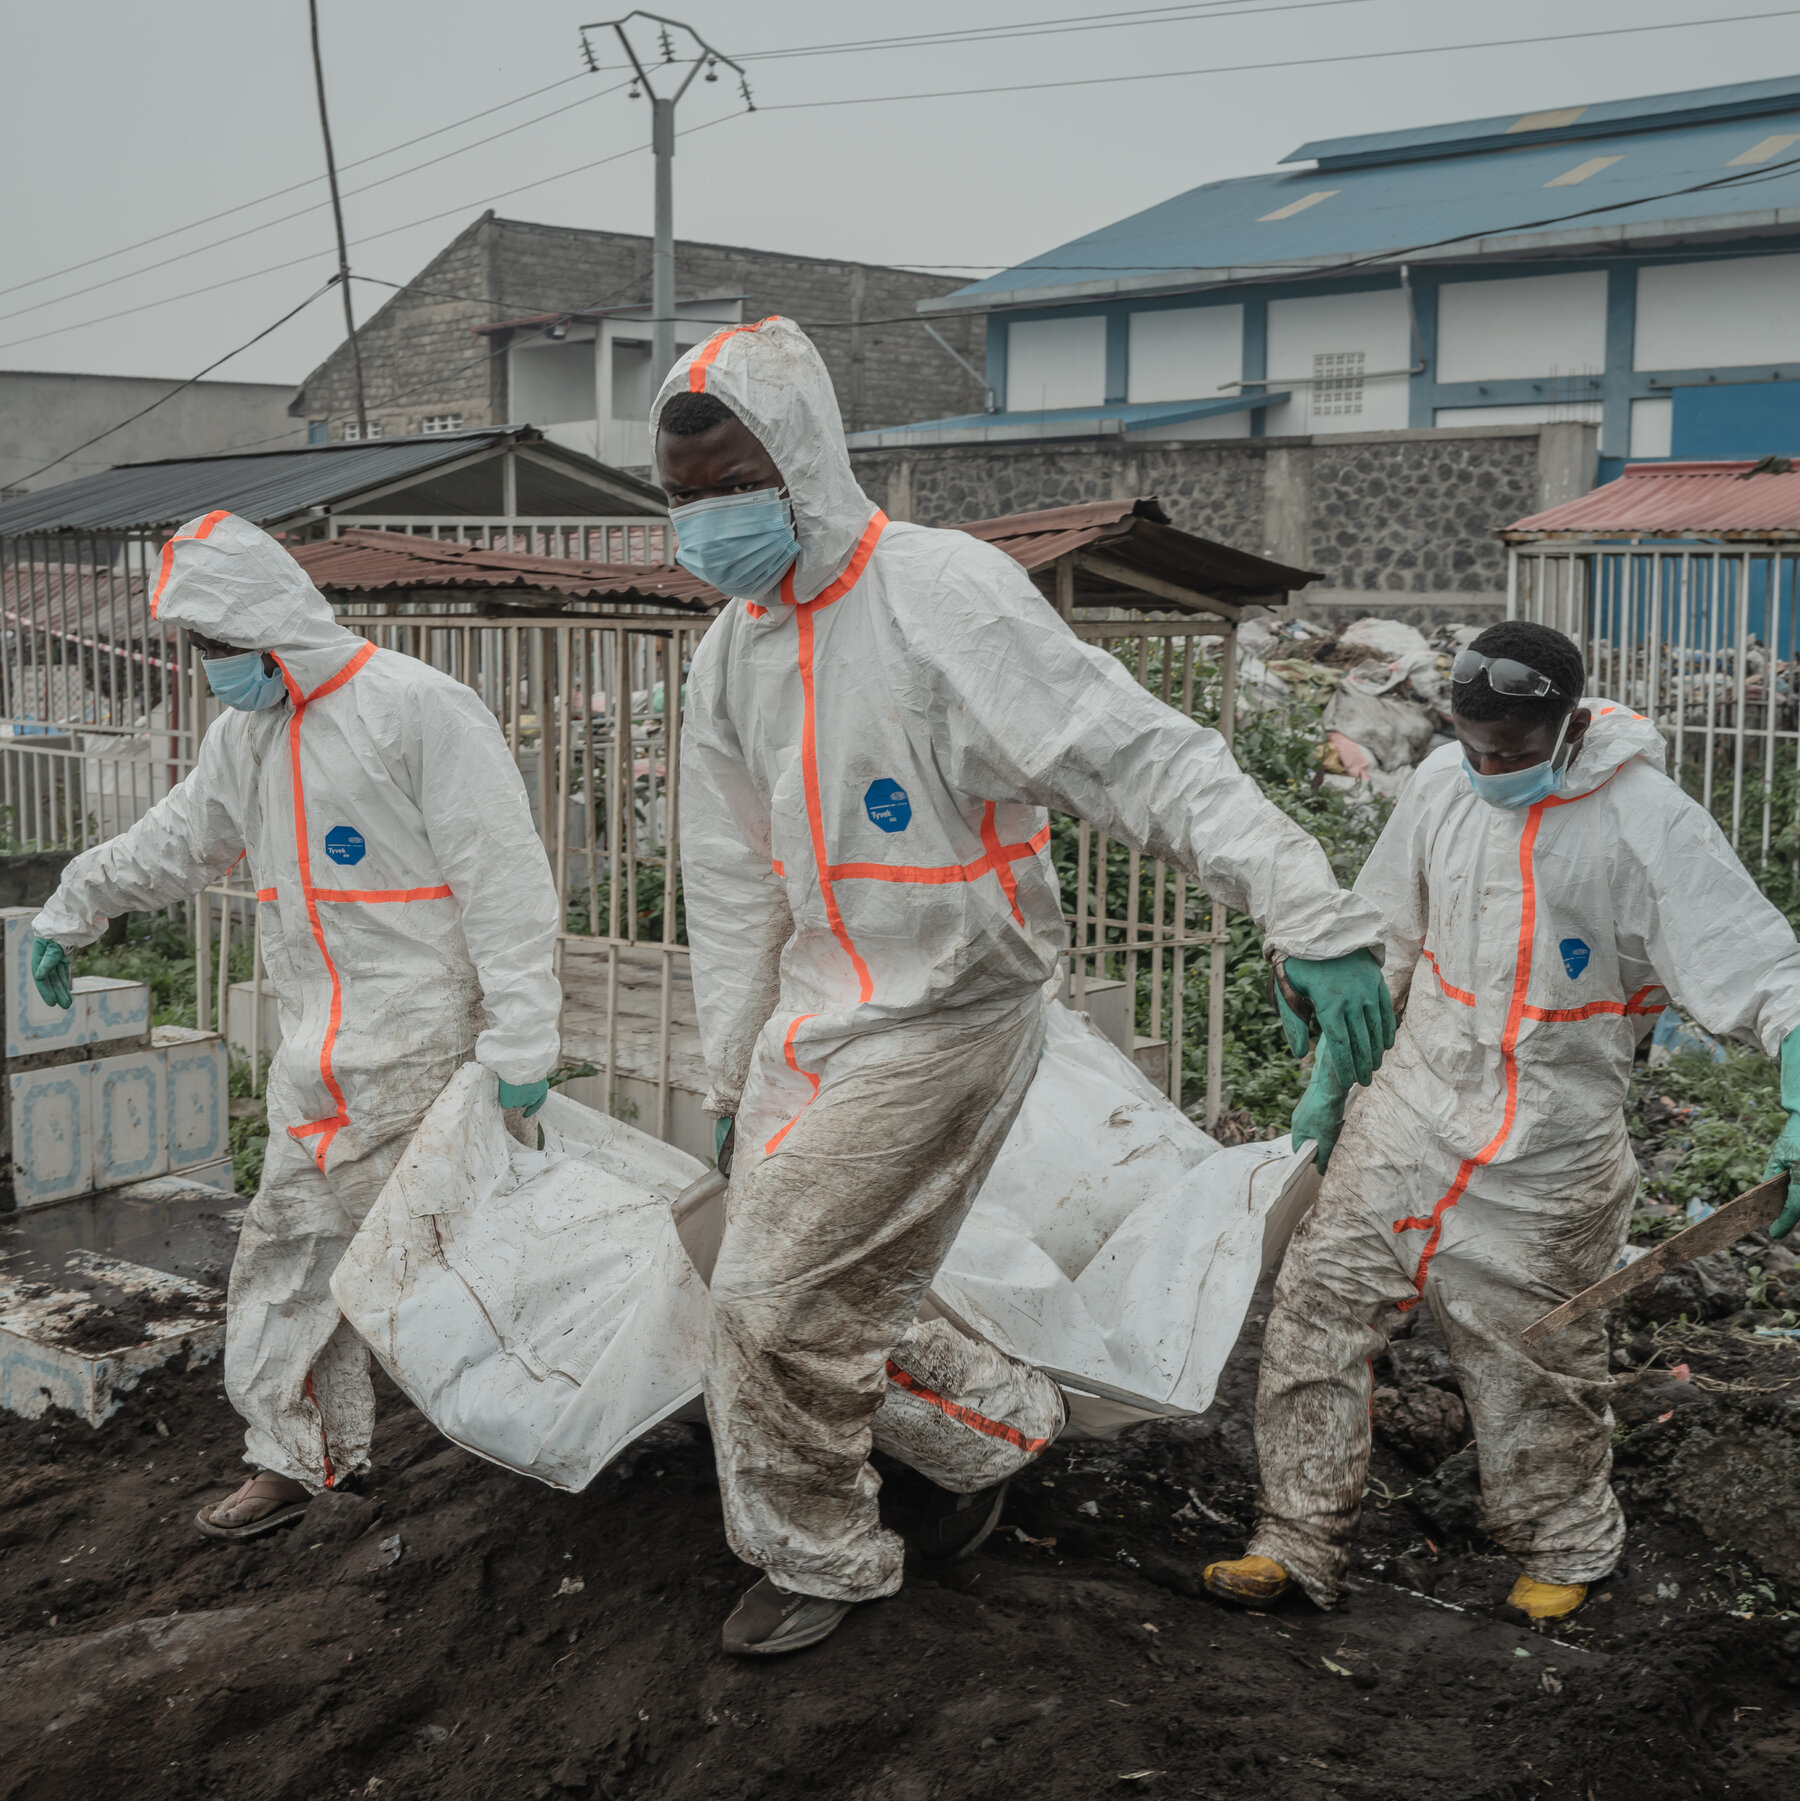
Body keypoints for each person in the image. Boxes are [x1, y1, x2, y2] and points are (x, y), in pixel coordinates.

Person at [659, 315, 1396, 1656]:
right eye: (686, 500)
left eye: (734, 488)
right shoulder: (732, 653)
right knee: (785, 1288)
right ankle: (993, 1424)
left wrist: (1308, 907)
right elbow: (729, 882)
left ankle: (823, 1552)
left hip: (953, 1005)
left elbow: (1143, 757)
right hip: (820, 1012)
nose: (709, 523)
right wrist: (731, 1066)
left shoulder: (941, 597)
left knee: (773, 1302)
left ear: (807, 462)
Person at [1204, 619, 1800, 1622]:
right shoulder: (1442, 783)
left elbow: (1763, 968)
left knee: (1535, 1353)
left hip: (1551, 1145)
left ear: (1565, 727)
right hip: (1415, 1101)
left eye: (1512, 753)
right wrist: (1331, 1044)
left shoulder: (1645, 822)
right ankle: (1297, 1538)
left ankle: (1565, 1542)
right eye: (1475, 746)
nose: (1491, 768)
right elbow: (1383, 925)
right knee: (1318, 1300)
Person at [29, 511, 562, 1538]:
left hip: (428, 1054)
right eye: (202, 651)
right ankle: (300, 1455)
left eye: (222, 646)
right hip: (317, 1063)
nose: (213, 667)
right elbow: (177, 839)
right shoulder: (249, 736)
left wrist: (522, 1043)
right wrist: (75, 901)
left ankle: (608, 1421)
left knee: (481, 1263)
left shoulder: (417, 709)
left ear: (272, 623)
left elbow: (505, 883)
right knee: (287, 1258)